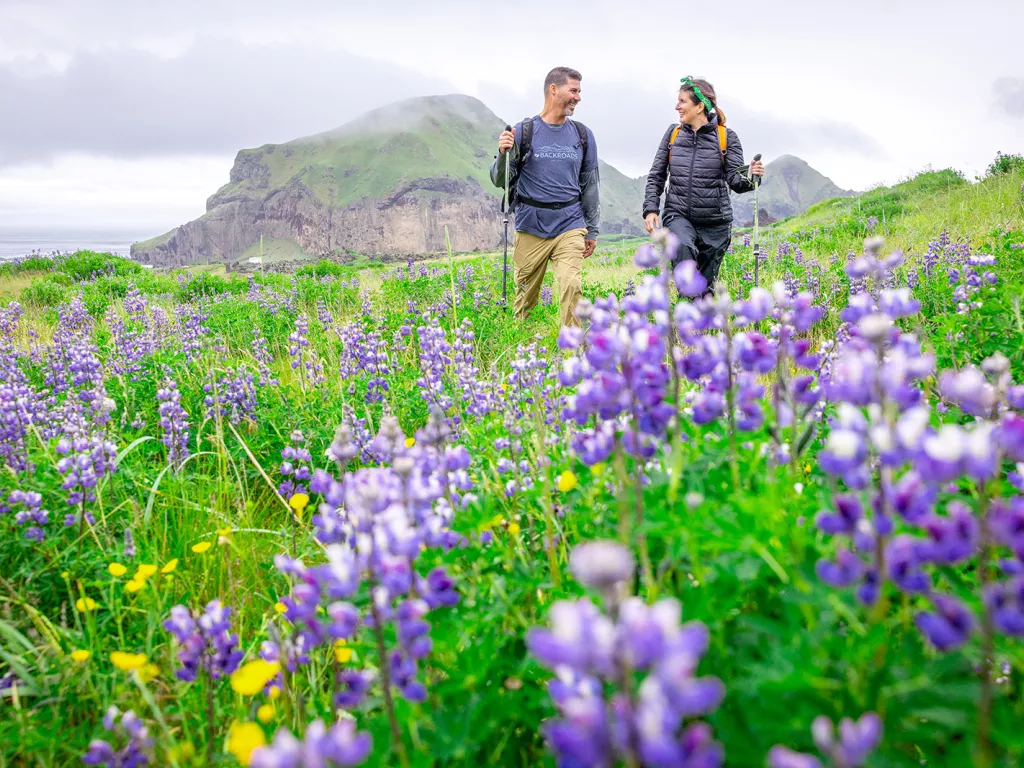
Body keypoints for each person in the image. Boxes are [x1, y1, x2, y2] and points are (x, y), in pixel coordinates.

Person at [490, 66, 600, 328]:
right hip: (531, 226)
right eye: (573, 90)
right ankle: (522, 352)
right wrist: (504, 153)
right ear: (554, 89)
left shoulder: (583, 135)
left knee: (572, 286)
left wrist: (592, 230)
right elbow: (498, 179)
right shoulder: (523, 131)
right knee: (525, 298)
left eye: (579, 91)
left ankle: (573, 351)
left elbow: (590, 185)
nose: (578, 97)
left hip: (569, 223)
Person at [642, 76, 764, 292]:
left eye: (682, 101)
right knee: (684, 256)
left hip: (715, 223)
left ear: (699, 106)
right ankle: (686, 319)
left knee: (705, 289)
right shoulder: (673, 134)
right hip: (678, 215)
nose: (677, 106)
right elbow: (657, 174)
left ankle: (700, 324)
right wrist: (651, 209)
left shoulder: (726, 137)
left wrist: (751, 176)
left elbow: (735, 181)